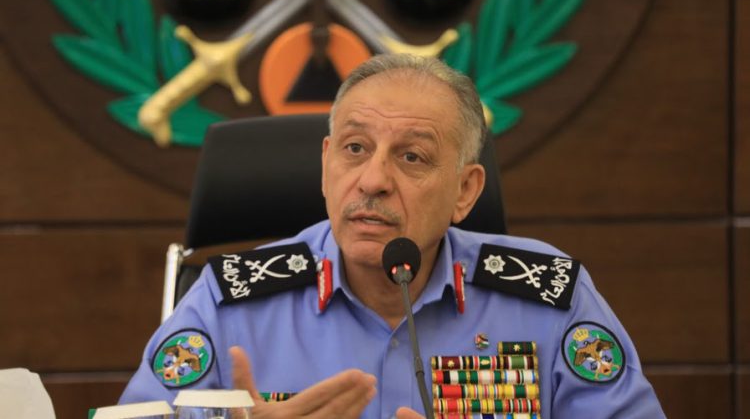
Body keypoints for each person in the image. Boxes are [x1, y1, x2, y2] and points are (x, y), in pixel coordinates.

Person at [120, 53, 665, 418]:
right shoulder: (229, 302)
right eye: (355, 149)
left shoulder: (548, 298)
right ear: (326, 166)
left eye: (412, 157)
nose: (373, 180)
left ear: (465, 191)